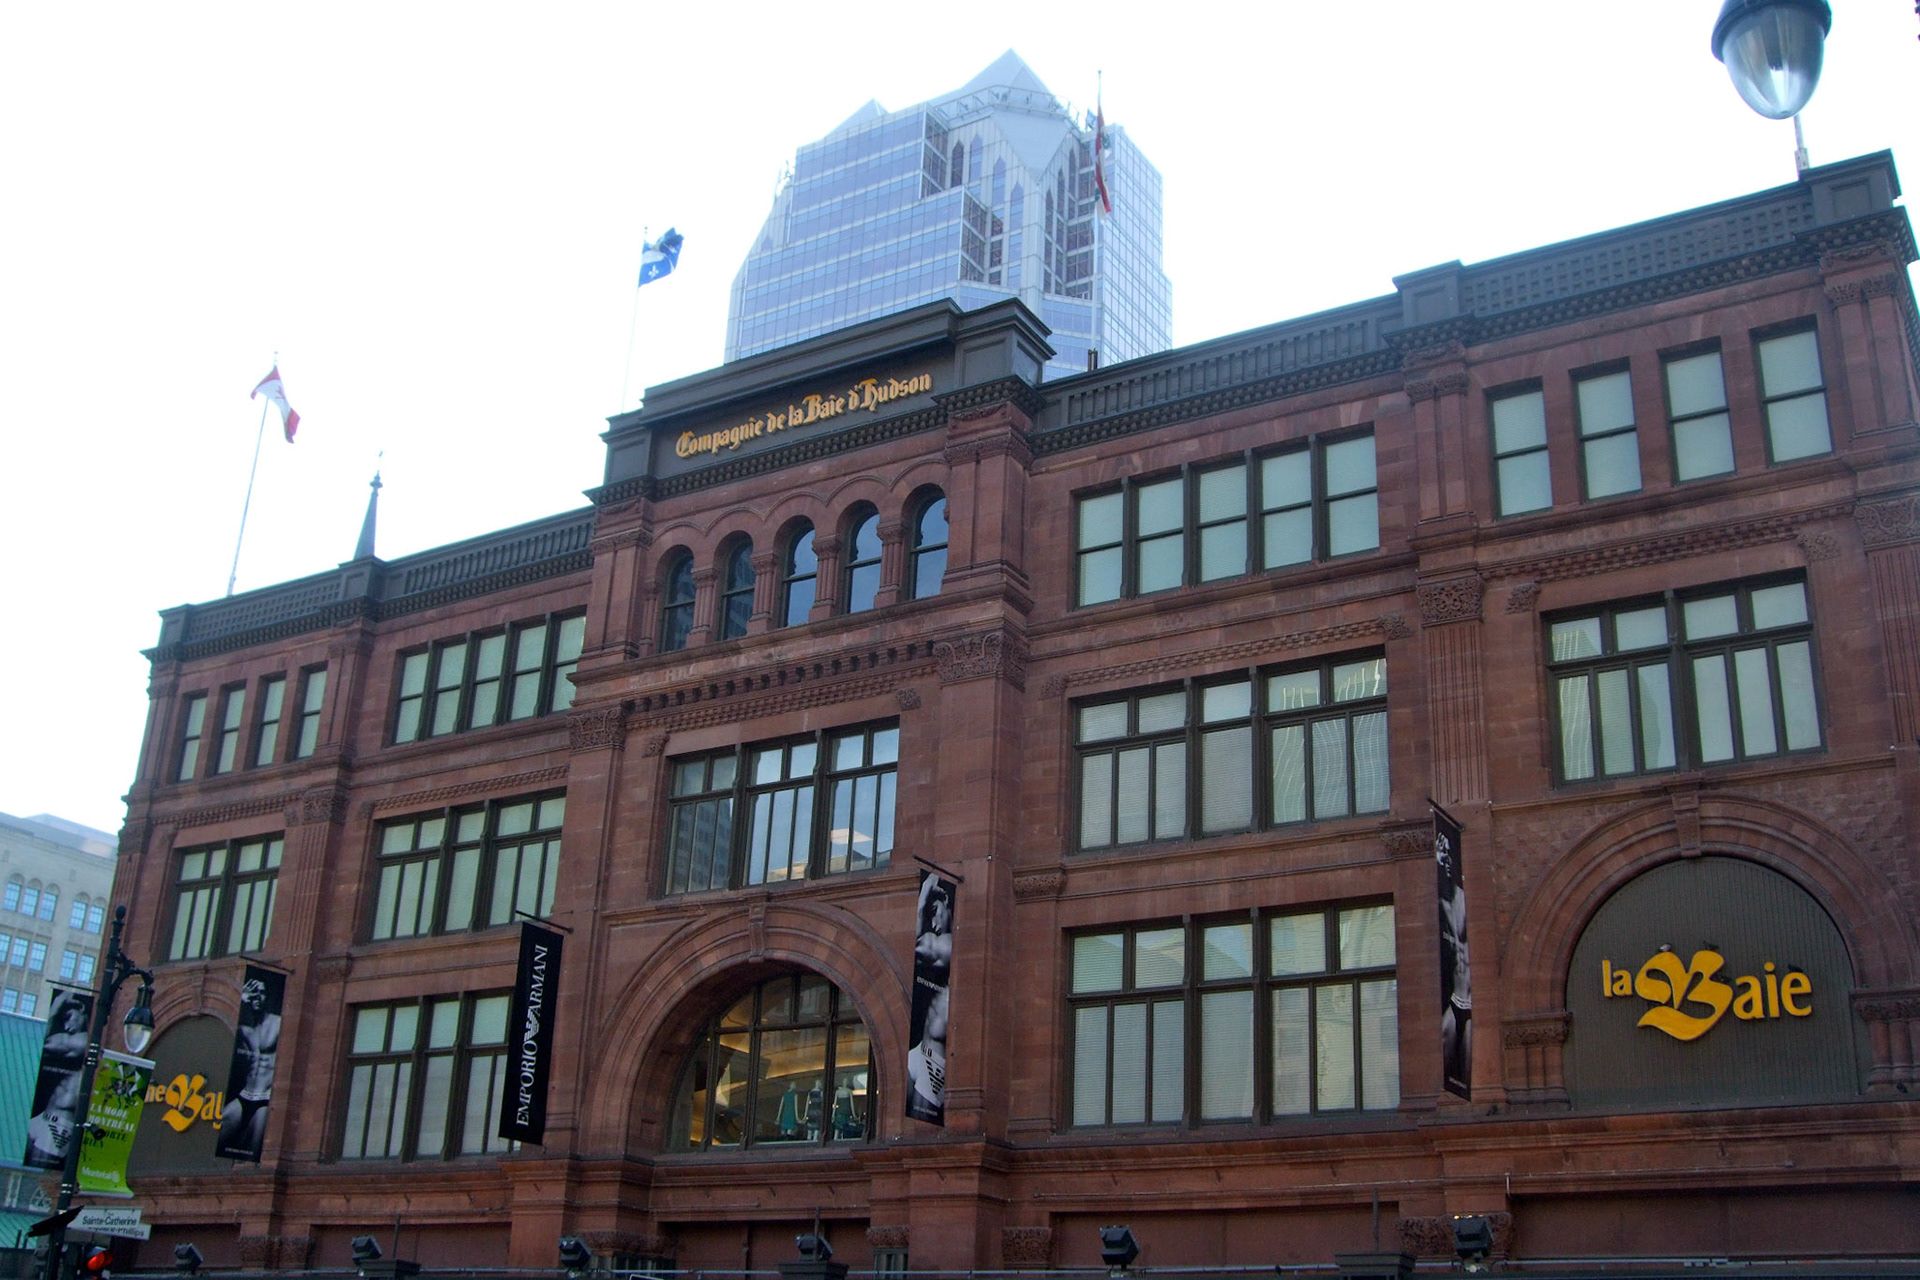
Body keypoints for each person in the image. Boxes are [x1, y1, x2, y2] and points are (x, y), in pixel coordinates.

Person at [218, 976, 281, 1160]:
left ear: (267, 997)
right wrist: (242, 999)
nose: (257, 997)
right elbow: (223, 1020)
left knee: (254, 1152)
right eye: (254, 993)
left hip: (264, 1099)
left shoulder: (278, 1023)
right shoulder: (244, 1027)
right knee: (221, 1134)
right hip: (244, 1096)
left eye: (261, 993)